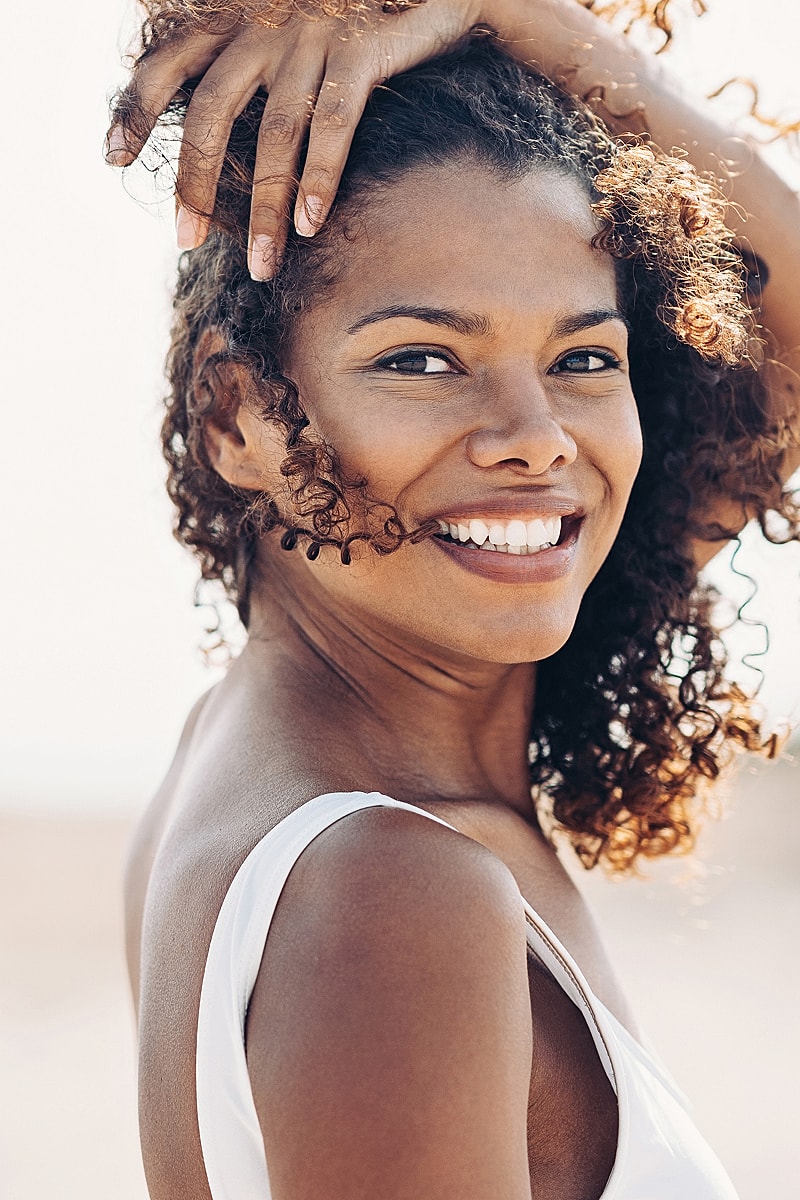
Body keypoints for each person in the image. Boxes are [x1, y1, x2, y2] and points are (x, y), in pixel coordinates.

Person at [109, 3, 800, 1198]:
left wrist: (511, 19)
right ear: (235, 418)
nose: (534, 443)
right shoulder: (388, 889)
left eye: (583, 357)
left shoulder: (258, 754)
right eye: (422, 361)